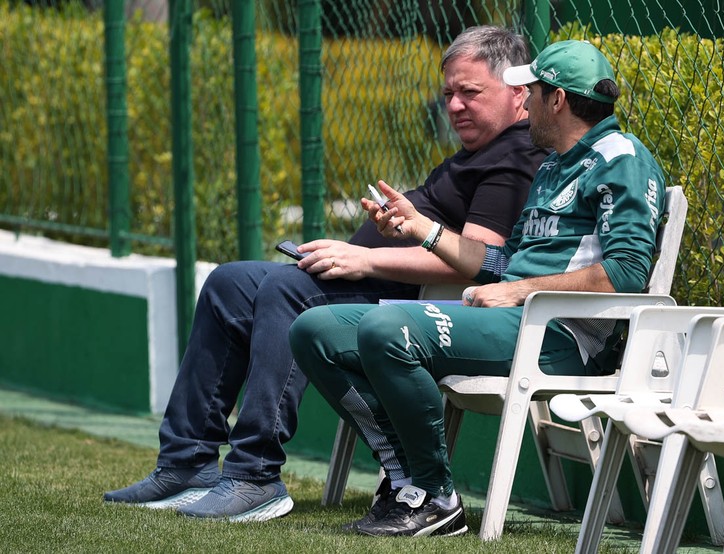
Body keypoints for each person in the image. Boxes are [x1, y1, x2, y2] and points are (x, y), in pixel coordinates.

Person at [102, 25, 547, 522]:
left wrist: (365, 258)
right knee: (228, 283)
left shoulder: (517, 154)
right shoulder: (480, 149)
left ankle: (255, 474)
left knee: (287, 289)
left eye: (470, 93)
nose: (455, 106)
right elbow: (438, 230)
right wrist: (394, 225)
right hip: (372, 279)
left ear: (518, 92)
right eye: (448, 94)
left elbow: (478, 258)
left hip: (412, 305)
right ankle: (187, 462)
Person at [289, 39, 666, 537]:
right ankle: (407, 480)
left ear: (556, 100)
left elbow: (627, 274)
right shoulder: (553, 164)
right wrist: (421, 228)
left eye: (531, 92)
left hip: (559, 336)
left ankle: (436, 497)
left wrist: (519, 291)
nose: (524, 103)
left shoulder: (622, 158)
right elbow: (504, 262)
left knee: (388, 326)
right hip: (505, 321)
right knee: (315, 330)